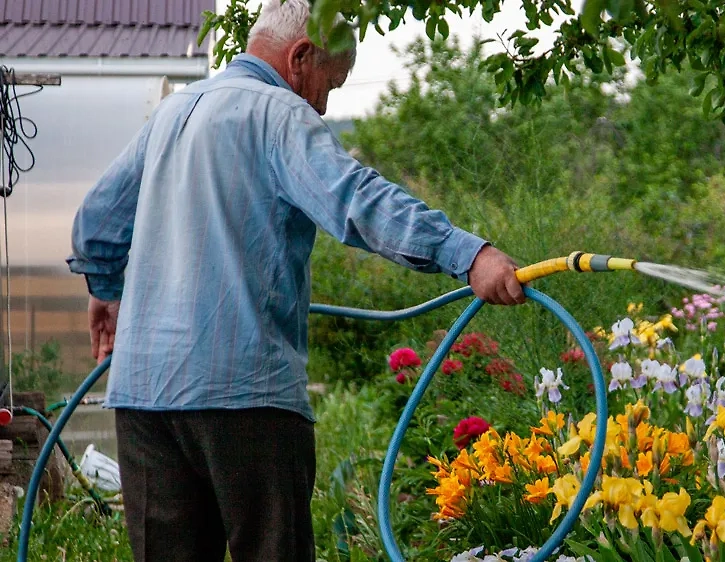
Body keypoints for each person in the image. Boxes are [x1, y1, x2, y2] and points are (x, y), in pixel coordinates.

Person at [65, 0, 525, 560]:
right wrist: (466, 254)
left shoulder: (171, 112)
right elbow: (356, 201)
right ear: (300, 57)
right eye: (330, 86)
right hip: (244, 398)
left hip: (143, 397)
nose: (324, 105)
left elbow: (97, 222)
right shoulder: (279, 115)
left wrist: (106, 293)